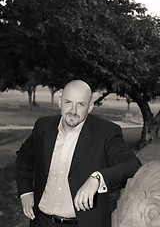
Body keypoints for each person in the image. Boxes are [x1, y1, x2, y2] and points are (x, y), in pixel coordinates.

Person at [16, 80, 141, 227]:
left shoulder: (106, 133)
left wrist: (97, 178)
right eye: (68, 102)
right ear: (59, 101)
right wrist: (25, 191)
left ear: (90, 107)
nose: (73, 110)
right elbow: (24, 157)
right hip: (42, 221)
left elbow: (132, 165)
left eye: (80, 104)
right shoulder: (43, 127)